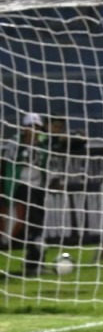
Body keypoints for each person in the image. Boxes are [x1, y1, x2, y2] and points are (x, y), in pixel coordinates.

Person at [1, 113, 49, 276]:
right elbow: (9, 166)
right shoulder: (15, 143)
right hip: (22, 186)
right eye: (30, 126)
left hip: (38, 186)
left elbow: (57, 143)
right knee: (32, 222)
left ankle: (33, 261)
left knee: (38, 224)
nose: (34, 130)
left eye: (37, 127)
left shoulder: (44, 142)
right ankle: (34, 261)